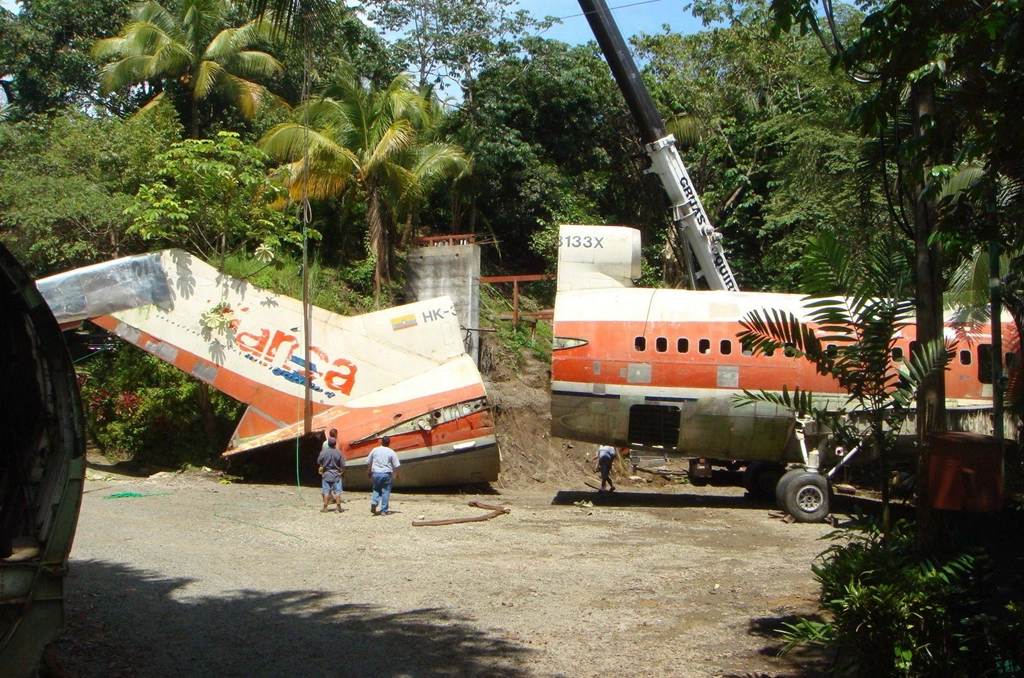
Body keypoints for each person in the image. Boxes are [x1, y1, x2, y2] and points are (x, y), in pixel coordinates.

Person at [365, 435, 400, 515]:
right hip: (386, 473)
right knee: (385, 491)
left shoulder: (375, 450)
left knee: (376, 489)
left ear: (381, 442)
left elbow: (368, 462)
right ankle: (384, 510)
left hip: (376, 473)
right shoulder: (391, 451)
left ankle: (375, 501)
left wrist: (369, 471)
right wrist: (398, 474)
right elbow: (397, 465)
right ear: (389, 443)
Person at [317, 436, 346, 513]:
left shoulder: (323, 452)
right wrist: (343, 473)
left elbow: (319, 461)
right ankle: (338, 507)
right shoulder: (339, 453)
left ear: (328, 444)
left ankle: (325, 507)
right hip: (336, 474)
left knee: (326, 491)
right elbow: (343, 465)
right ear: (335, 444)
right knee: (337, 491)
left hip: (326, 474)